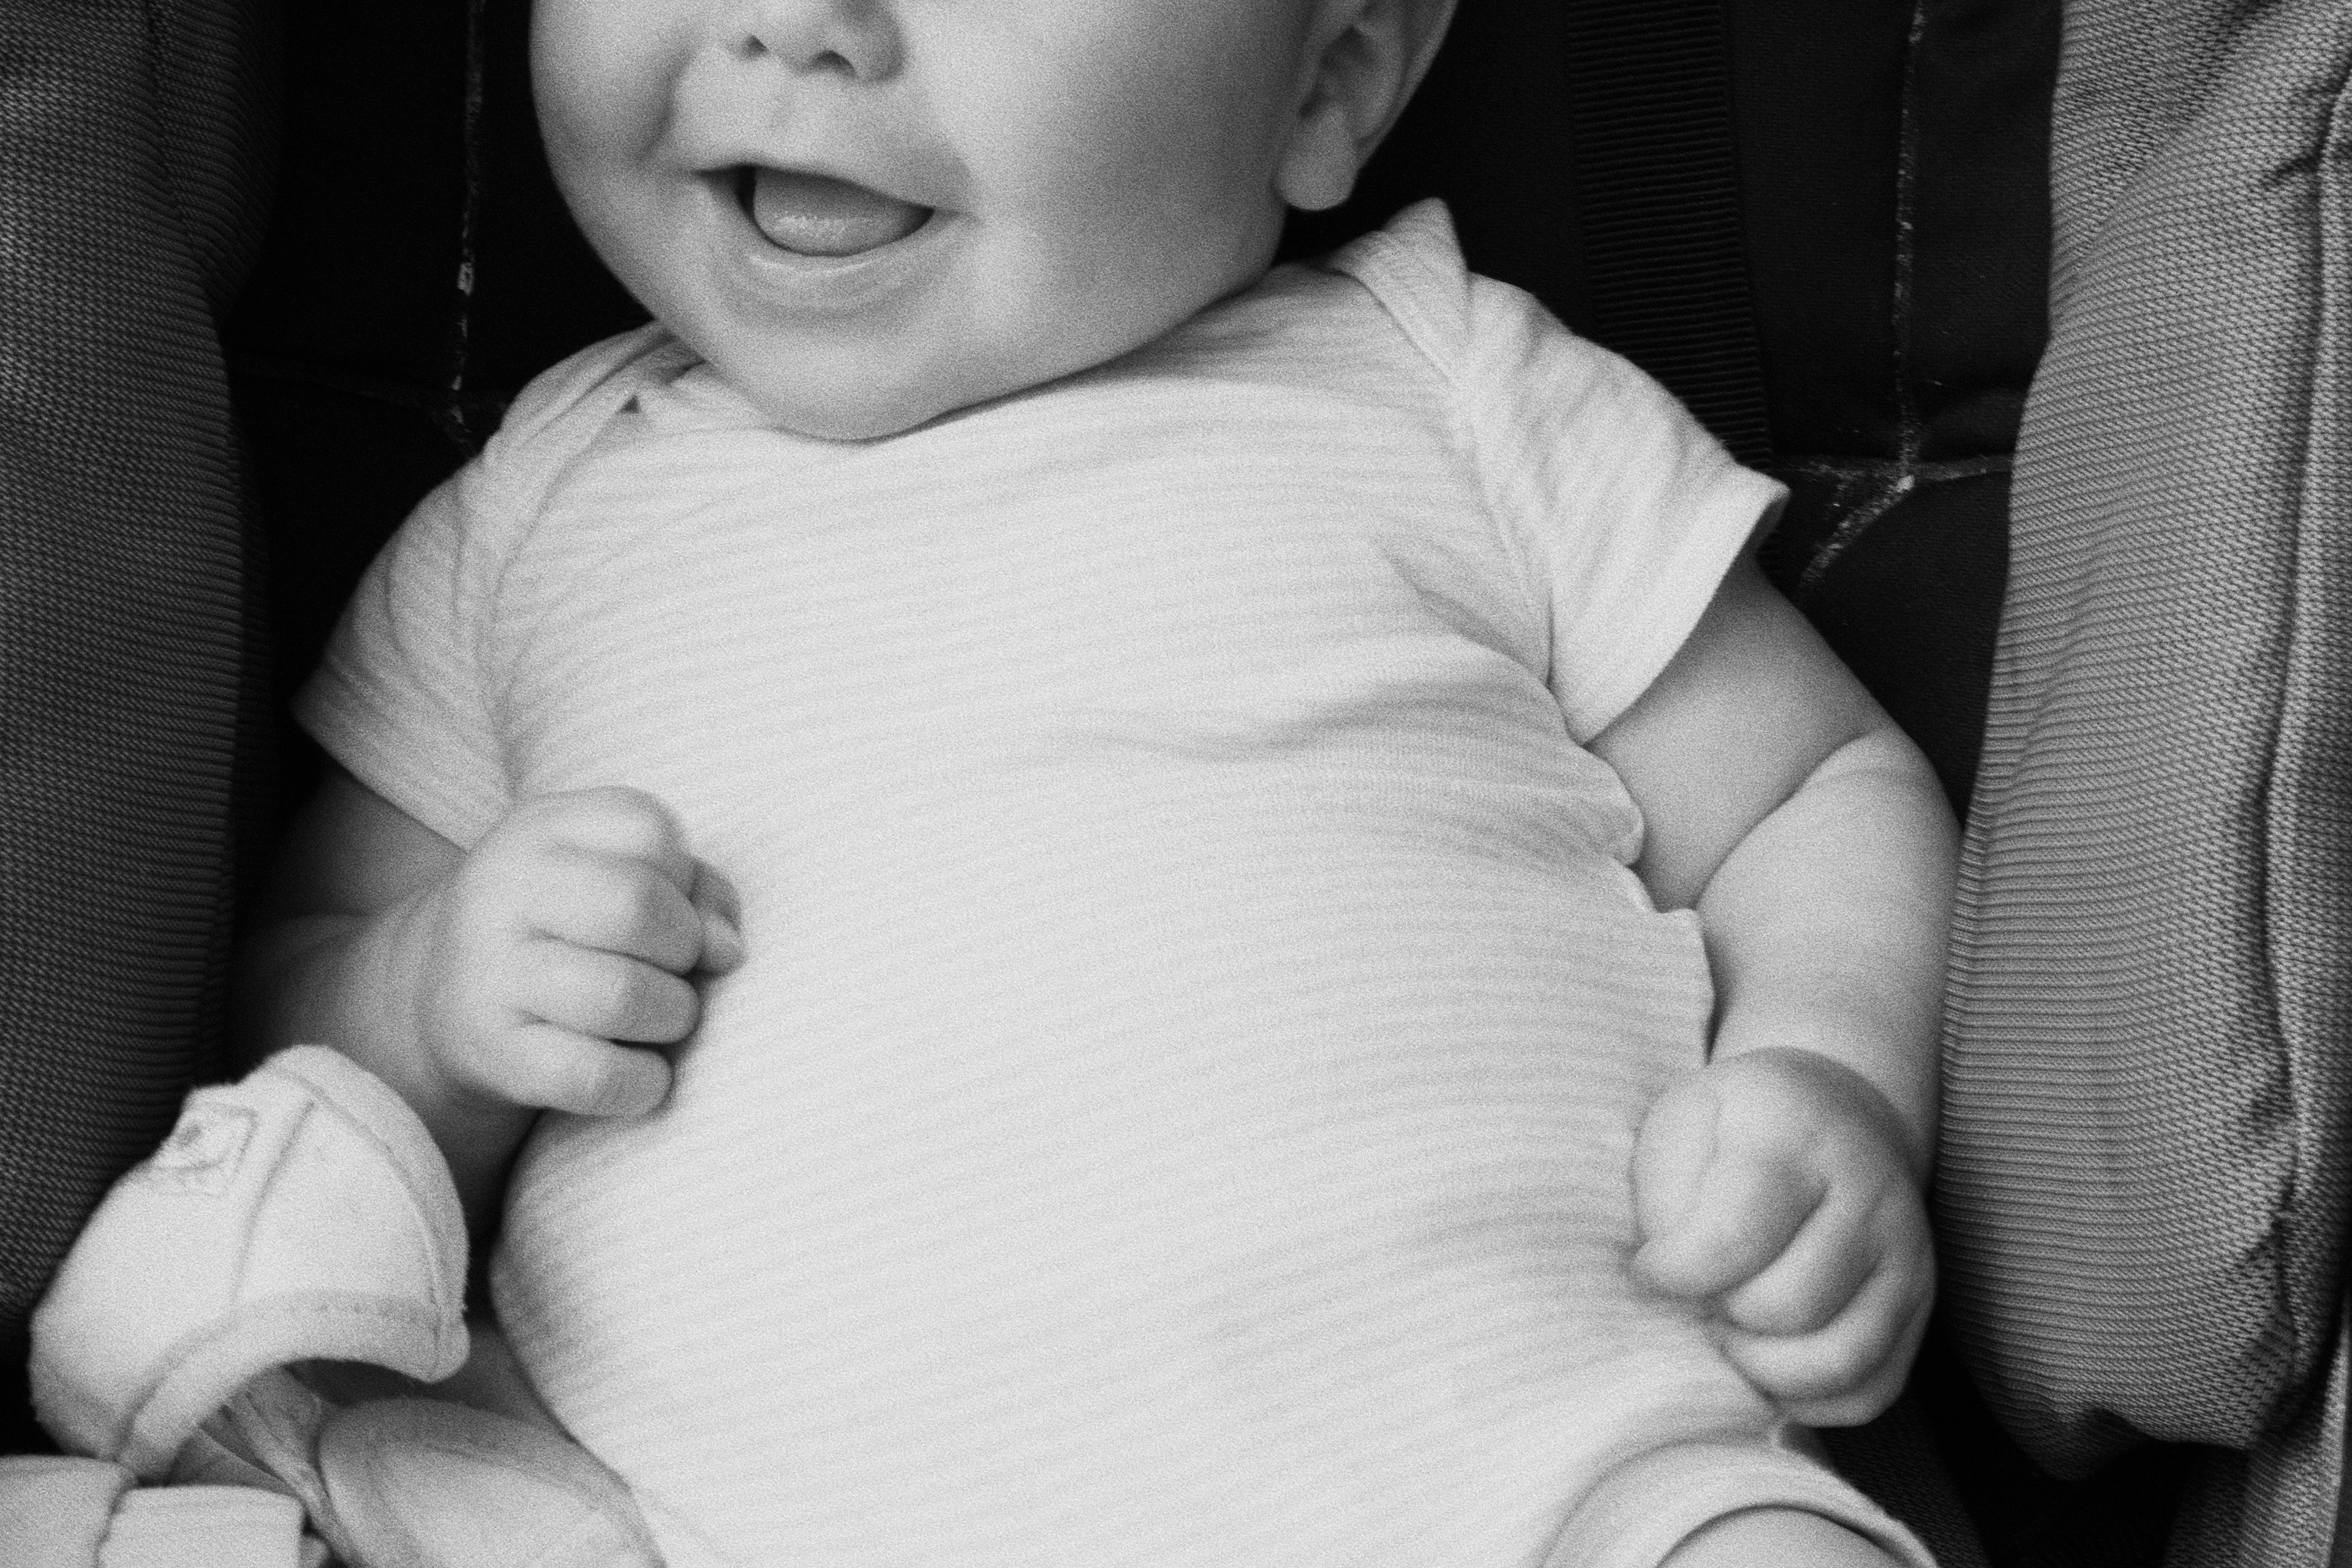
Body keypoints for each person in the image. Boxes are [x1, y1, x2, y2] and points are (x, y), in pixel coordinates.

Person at [226, 0, 1957, 1561]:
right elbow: (291, 1046)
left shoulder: (1451, 389)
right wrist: (430, 1002)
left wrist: (1830, 1070)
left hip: (1542, 1473)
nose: (803, 27)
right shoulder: (529, 525)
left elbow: (1809, 790)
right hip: (760, 1517)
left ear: (1332, 78)